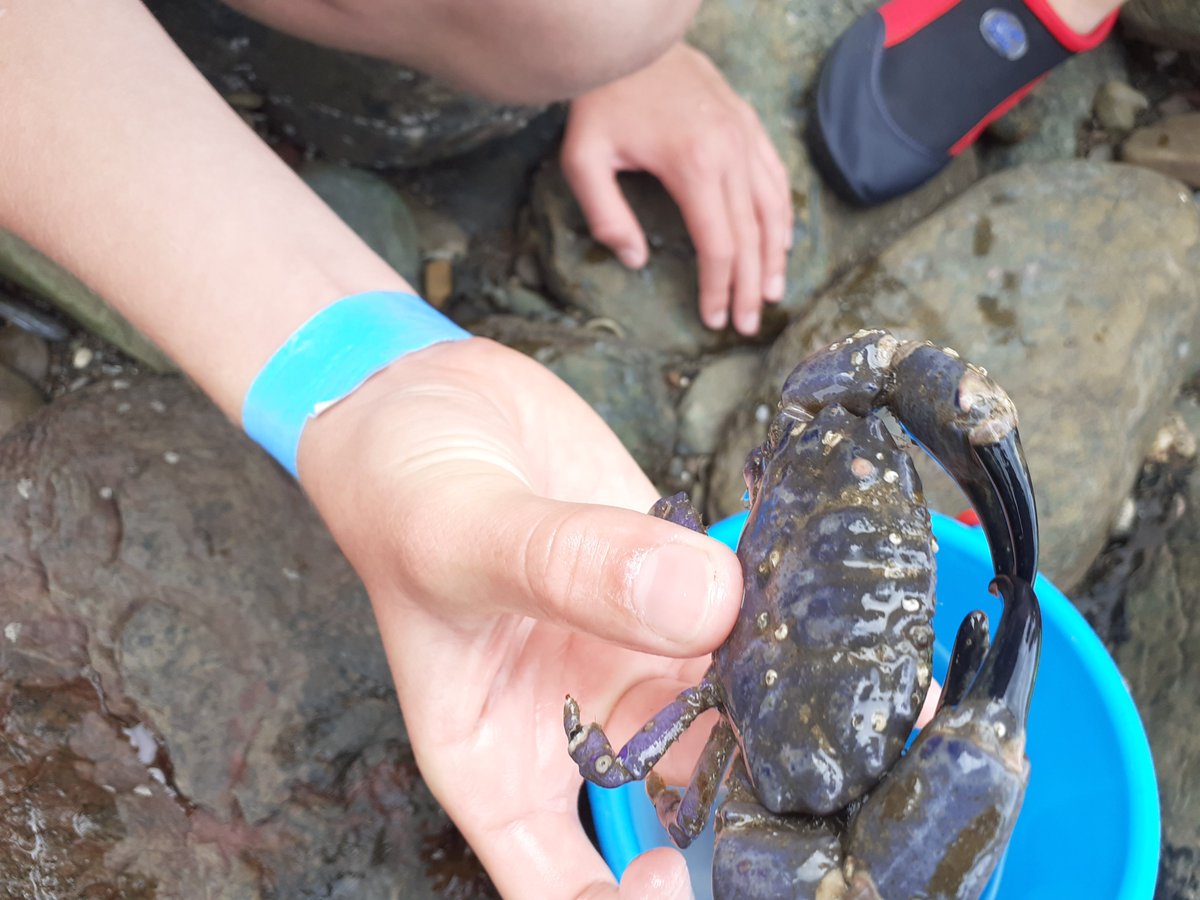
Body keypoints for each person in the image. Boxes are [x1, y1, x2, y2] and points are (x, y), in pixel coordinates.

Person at [0, 0, 1124, 896]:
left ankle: (618, 49)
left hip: (735, 675)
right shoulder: (774, 783)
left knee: (608, 19)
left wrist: (365, 379)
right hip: (755, 712)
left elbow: (858, 387)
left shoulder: (750, 772)